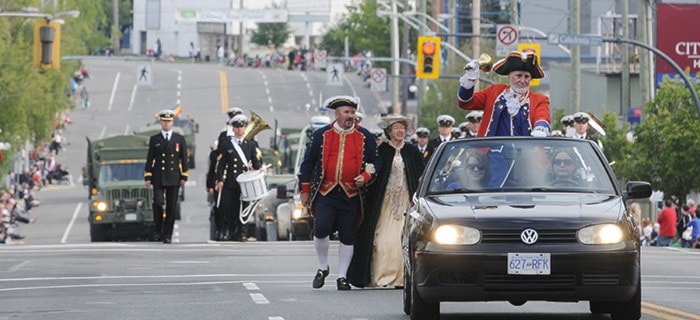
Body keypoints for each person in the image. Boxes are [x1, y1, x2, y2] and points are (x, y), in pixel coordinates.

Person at [298, 95, 380, 291]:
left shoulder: (365, 136)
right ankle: (322, 266)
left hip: (352, 194)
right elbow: (308, 163)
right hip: (326, 191)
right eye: (346, 112)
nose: (350, 116)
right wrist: (305, 190)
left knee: (348, 235)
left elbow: (376, 163)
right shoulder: (321, 135)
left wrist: (365, 177)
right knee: (321, 228)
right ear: (337, 114)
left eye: (352, 112)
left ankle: (342, 276)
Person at [348, 115, 424, 289]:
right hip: (384, 202)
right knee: (382, 240)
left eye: (402, 128)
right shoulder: (382, 151)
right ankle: (383, 277)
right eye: (396, 128)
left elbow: (419, 175)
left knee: (404, 239)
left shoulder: (412, 151)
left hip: (406, 201)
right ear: (389, 131)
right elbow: (374, 174)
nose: (400, 131)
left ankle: (403, 278)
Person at [457, 50, 551, 137]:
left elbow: (542, 117)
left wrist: (540, 128)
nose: (523, 80)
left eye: (527, 77)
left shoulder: (539, 99)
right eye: (518, 76)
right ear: (509, 76)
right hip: (491, 153)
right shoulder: (494, 91)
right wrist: (470, 79)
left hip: (525, 153)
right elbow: (466, 103)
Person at [144, 109, 189, 243]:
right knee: (157, 203)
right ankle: (158, 229)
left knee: (171, 207)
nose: (166, 123)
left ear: (172, 122)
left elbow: (184, 158)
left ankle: (167, 234)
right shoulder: (155, 139)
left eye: (169, 121)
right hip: (158, 176)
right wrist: (148, 176)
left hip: (173, 176)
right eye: (164, 121)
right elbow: (150, 158)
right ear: (161, 122)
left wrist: (184, 175)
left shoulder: (179, 139)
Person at [215, 114, 262, 241]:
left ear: (245, 128)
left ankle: (242, 233)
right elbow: (221, 164)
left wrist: (259, 170)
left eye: (242, 127)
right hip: (231, 181)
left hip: (245, 182)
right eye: (237, 127)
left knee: (244, 208)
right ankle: (230, 231)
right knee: (229, 207)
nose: (239, 129)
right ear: (233, 129)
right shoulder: (227, 144)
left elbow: (256, 162)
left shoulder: (251, 144)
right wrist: (220, 180)